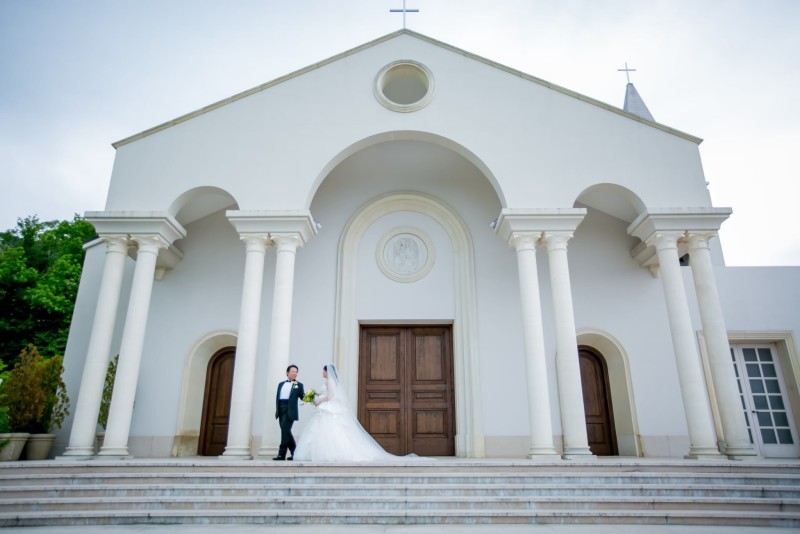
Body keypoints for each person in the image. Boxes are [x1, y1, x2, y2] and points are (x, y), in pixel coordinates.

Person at [293, 363, 422, 462]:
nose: (322, 372)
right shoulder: (329, 381)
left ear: (327, 372)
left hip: (328, 406)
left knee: (329, 429)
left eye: (323, 370)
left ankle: (331, 453)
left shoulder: (330, 381)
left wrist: (318, 400)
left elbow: (331, 397)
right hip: (328, 407)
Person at [274, 364, 305, 460]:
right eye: (293, 371)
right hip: (281, 409)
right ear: (287, 373)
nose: (295, 373)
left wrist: (310, 396)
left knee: (285, 432)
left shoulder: (298, 385)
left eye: (296, 372)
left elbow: (303, 397)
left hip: (290, 410)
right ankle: (295, 453)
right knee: (286, 432)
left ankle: (281, 454)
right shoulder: (281, 384)